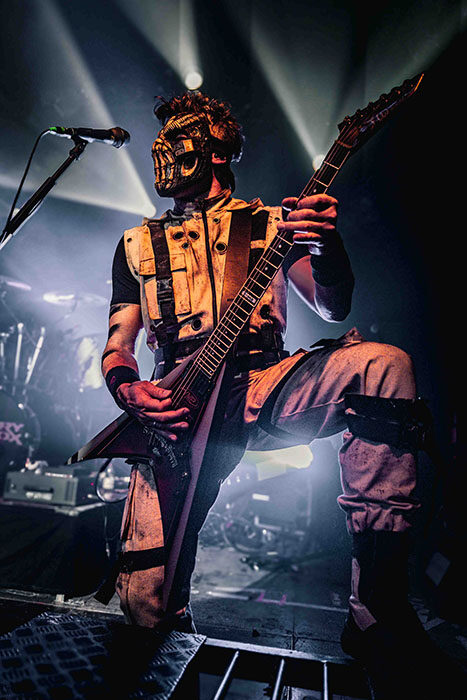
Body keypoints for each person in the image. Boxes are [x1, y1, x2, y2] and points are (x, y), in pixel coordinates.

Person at [101, 92, 441, 697]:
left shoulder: (271, 225)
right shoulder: (134, 245)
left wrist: (326, 246)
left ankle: (376, 612)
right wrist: (128, 388)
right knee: (144, 608)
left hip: (261, 384)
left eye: (180, 132)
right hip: (177, 405)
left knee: (384, 367)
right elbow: (118, 343)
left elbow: (333, 306)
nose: (164, 146)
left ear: (216, 147)